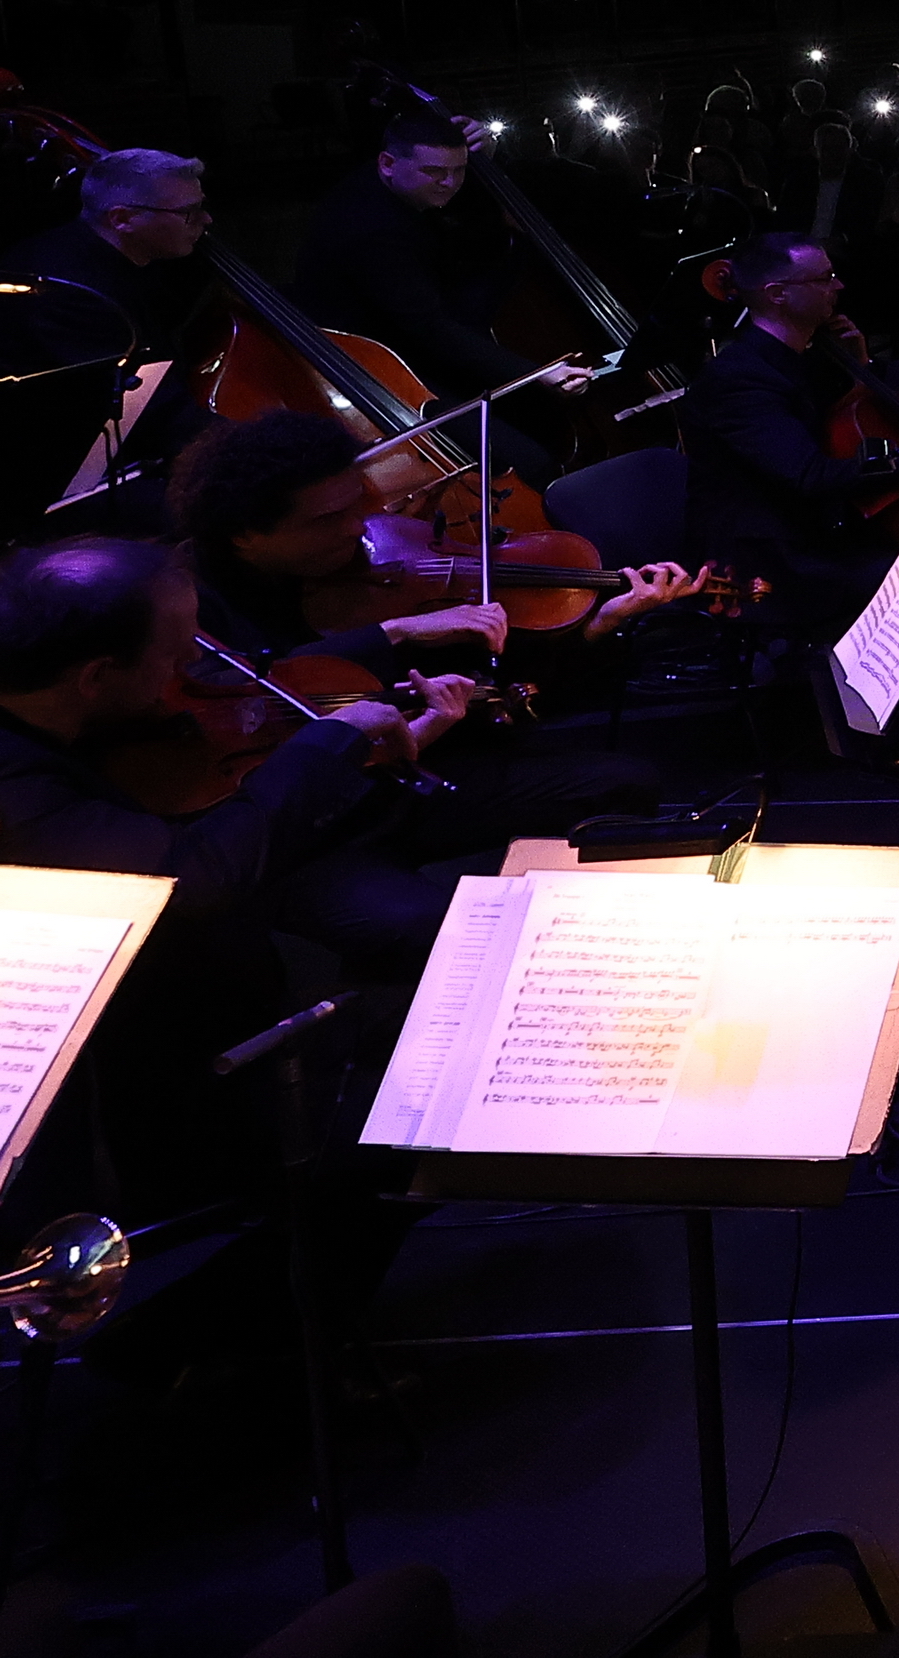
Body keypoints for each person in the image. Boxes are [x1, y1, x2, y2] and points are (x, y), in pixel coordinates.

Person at [0, 537, 450, 1191]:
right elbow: (192, 876)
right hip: (138, 1061)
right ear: (95, 676)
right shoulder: (16, 788)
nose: (190, 669)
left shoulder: (56, 703)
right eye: (175, 656)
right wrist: (324, 746)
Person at [163, 410, 680, 919]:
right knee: (422, 927)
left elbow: (511, 686)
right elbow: (246, 692)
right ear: (245, 535)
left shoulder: (377, 566)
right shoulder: (184, 600)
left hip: (416, 774)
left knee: (625, 781)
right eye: (326, 520)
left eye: (356, 505)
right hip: (312, 819)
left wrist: (596, 627)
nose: (356, 528)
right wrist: (394, 632)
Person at [678, 233, 899, 638]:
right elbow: (810, 476)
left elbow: (859, 424)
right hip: (765, 559)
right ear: (778, 294)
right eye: (823, 279)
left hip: (816, 528)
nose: (837, 287)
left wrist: (859, 365)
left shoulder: (806, 358)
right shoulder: (740, 378)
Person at [290, 107, 597, 465]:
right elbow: (430, 328)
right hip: (377, 367)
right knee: (525, 460)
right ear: (388, 163)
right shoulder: (373, 230)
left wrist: (488, 158)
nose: (449, 183)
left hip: (414, 342)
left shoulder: (401, 185)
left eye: (460, 170)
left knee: (535, 414)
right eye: (435, 172)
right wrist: (538, 373)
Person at [0, 143, 226, 522]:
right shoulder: (70, 290)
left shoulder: (138, 262)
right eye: (188, 213)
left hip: (124, 454)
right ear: (122, 219)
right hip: (56, 486)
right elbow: (154, 414)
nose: (206, 220)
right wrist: (266, 450)